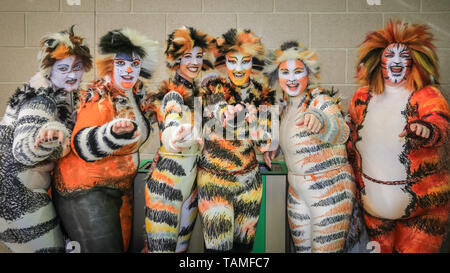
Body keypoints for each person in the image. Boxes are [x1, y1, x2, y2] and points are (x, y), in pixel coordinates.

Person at [347, 20, 450, 253]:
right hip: (373, 210)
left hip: (422, 212)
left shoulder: (427, 94)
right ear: (378, 62)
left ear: (414, 61)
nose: (395, 61)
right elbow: (352, 133)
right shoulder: (362, 96)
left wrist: (426, 129)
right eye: (389, 56)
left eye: (403, 56)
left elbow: (441, 123)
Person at [52, 28, 158, 253]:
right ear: (110, 65)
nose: (129, 70)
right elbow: (82, 145)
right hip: (87, 189)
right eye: (121, 63)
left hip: (120, 187)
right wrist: (112, 134)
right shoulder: (99, 96)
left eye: (135, 64)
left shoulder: (136, 95)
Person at [0, 26, 92, 252]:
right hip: (16, 194)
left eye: (77, 67)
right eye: (63, 68)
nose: (72, 74)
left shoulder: (63, 93)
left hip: (23, 189)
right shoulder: (41, 98)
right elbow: (22, 150)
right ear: (50, 69)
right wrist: (46, 138)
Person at [265, 41, 356, 252]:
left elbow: (343, 132)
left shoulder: (320, 100)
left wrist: (321, 120)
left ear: (309, 74)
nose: (292, 78)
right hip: (297, 190)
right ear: (277, 76)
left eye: (298, 71)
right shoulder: (286, 106)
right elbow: (293, 141)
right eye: (285, 72)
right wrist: (275, 148)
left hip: (329, 188)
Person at [198, 29, 276, 252]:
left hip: (249, 182)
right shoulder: (212, 86)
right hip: (214, 181)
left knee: (243, 250)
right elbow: (215, 114)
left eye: (246, 61)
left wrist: (251, 116)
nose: (239, 68)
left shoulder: (262, 92)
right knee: (217, 250)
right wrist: (228, 112)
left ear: (254, 61)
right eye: (233, 61)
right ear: (225, 61)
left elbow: (266, 141)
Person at [144, 26, 214, 253]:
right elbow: (171, 119)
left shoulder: (199, 96)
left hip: (191, 185)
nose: (194, 62)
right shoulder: (172, 94)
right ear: (176, 60)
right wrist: (175, 135)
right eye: (187, 56)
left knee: (181, 250)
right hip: (166, 185)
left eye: (198, 56)